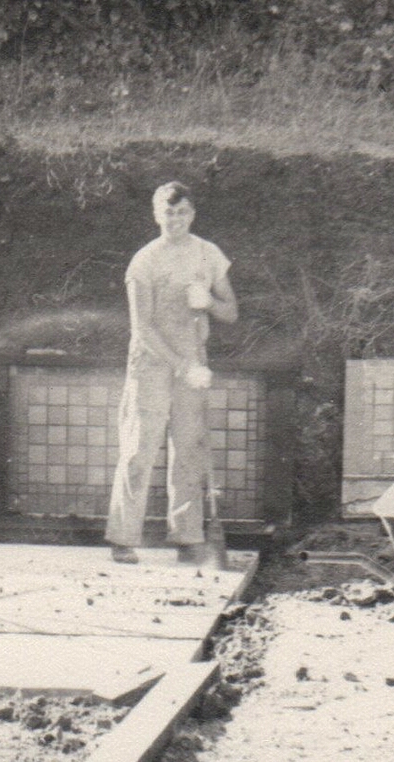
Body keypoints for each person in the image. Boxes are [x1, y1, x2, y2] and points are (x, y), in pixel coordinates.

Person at [105, 181, 238, 564]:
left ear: (192, 214)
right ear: (156, 215)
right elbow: (141, 328)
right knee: (139, 449)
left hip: (192, 359)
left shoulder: (209, 254)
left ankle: (187, 536)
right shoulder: (144, 261)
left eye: (182, 212)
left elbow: (231, 311)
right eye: (168, 212)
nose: (175, 219)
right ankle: (123, 537)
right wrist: (182, 367)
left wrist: (208, 300)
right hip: (151, 363)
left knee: (189, 451)